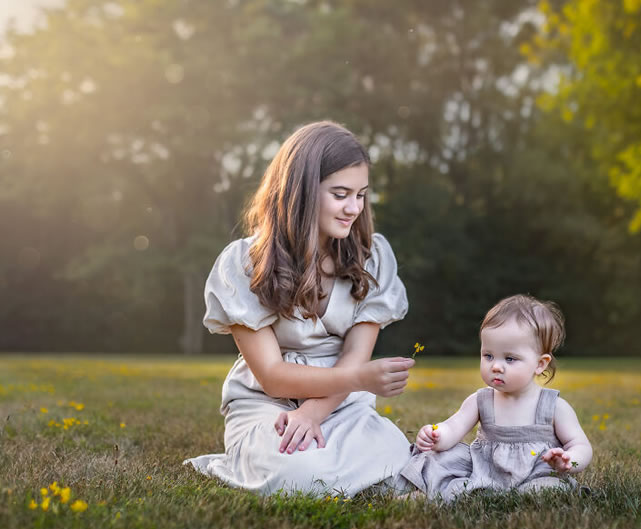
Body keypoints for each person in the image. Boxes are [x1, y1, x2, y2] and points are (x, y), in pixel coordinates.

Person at [184, 121, 415, 497]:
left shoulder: (372, 257)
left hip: (342, 406)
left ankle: (343, 454)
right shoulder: (243, 263)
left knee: (398, 460)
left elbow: (355, 358)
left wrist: (314, 412)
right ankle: (264, 459)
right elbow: (273, 375)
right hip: (266, 403)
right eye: (340, 194)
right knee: (297, 474)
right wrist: (359, 381)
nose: (354, 208)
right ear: (302, 192)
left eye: (361, 195)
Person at [397, 294, 592, 500]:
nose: (496, 366)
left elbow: (581, 445)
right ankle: (435, 494)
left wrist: (570, 460)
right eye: (488, 355)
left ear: (540, 364)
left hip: (538, 473)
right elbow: (455, 426)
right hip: (485, 473)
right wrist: (438, 435)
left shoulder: (554, 407)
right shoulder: (481, 400)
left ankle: (526, 495)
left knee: (548, 489)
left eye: (510, 358)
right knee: (442, 462)